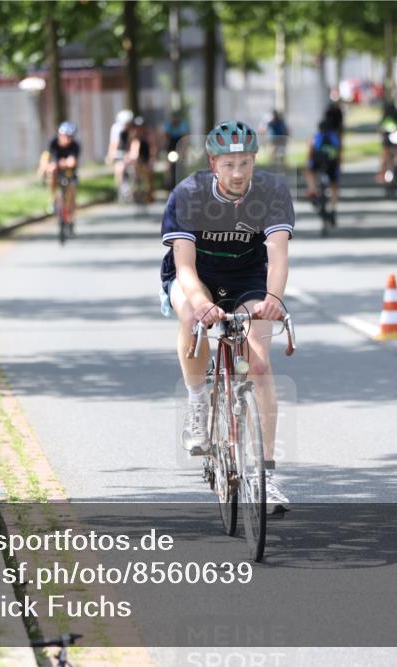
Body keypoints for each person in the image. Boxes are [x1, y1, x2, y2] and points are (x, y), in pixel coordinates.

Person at [158, 120, 294, 508]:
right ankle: (198, 400)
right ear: (213, 163)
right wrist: (201, 302)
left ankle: (265, 475)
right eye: (229, 164)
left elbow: (278, 258)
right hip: (197, 276)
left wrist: (272, 299)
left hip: (248, 277)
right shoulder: (188, 194)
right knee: (190, 317)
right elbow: (184, 267)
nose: (238, 173)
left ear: (255, 162)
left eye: (245, 164)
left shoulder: (272, 193)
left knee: (261, 366)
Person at [37, 121, 81, 234]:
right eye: (64, 136)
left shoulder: (75, 146)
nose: (66, 138)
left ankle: (71, 219)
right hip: (57, 171)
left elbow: (72, 162)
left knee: (71, 196)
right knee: (51, 172)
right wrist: (44, 168)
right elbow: (46, 157)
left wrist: (61, 163)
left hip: (70, 173)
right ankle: (53, 199)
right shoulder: (53, 142)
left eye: (69, 136)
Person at [304, 120, 342, 213]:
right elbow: (338, 153)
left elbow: (311, 151)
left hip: (317, 162)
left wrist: (308, 163)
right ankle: (333, 208)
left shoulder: (316, 136)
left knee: (309, 173)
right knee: (334, 185)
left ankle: (313, 190)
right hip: (332, 163)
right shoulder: (334, 137)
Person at [127, 116, 156, 203]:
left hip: (146, 159)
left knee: (150, 173)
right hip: (137, 161)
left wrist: (151, 160)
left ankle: (150, 193)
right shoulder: (134, 136)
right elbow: (132, 149)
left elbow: (152, 149)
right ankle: (133, 192)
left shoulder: (148, 136)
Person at [106, 109, 134, 187]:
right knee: (119, 167)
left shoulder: (132, 129)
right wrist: (110, 155)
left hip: (128, 151)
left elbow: (133, 142)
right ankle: (119, 186)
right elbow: (114, 143)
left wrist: (131, 153)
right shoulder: (116, 129)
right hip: (119, 151)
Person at [164, 111, 191, 190]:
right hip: (172, 145)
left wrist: (182, 152)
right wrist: (166, 148)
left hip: (180, 143)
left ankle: (184, 181)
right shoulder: (169, 125)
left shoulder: (183, 125)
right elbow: (166, 138)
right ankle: (168, 182)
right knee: (169, 164)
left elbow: (185, 139)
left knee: (182, 163)